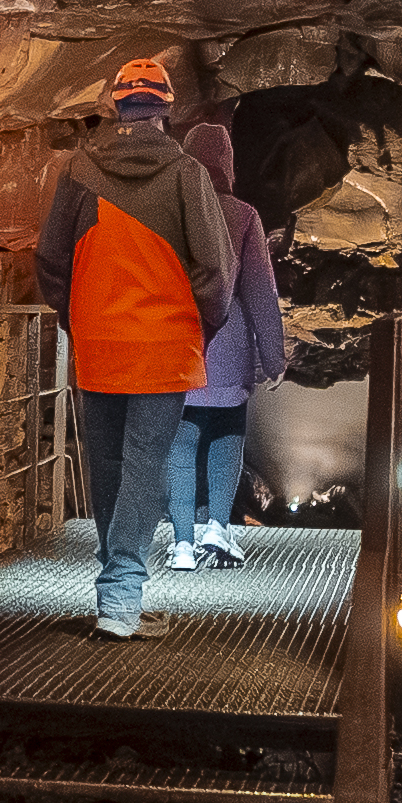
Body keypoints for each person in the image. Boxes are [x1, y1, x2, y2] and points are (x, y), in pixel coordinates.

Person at [34, 55, 233, 640]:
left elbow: (50, 258)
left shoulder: (79, 169)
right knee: (147, 465)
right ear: (165, 107)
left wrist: (78, 320)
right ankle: (120, 601)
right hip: (164, 347)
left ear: (116, 104)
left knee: (108, 464)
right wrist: (197, 329)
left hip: (98, 342)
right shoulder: (187, 174)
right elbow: (215, 270)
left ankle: (114, 595)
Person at [164, 121, 285, 569]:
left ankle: (180, 544)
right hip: (230, 341)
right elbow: (259, 291)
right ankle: (217, 527)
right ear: (227, 166)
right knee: (227, 430)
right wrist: (273, 357)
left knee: (180, 439)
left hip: (179, 343)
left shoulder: (169, 210)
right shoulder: (242, 215)